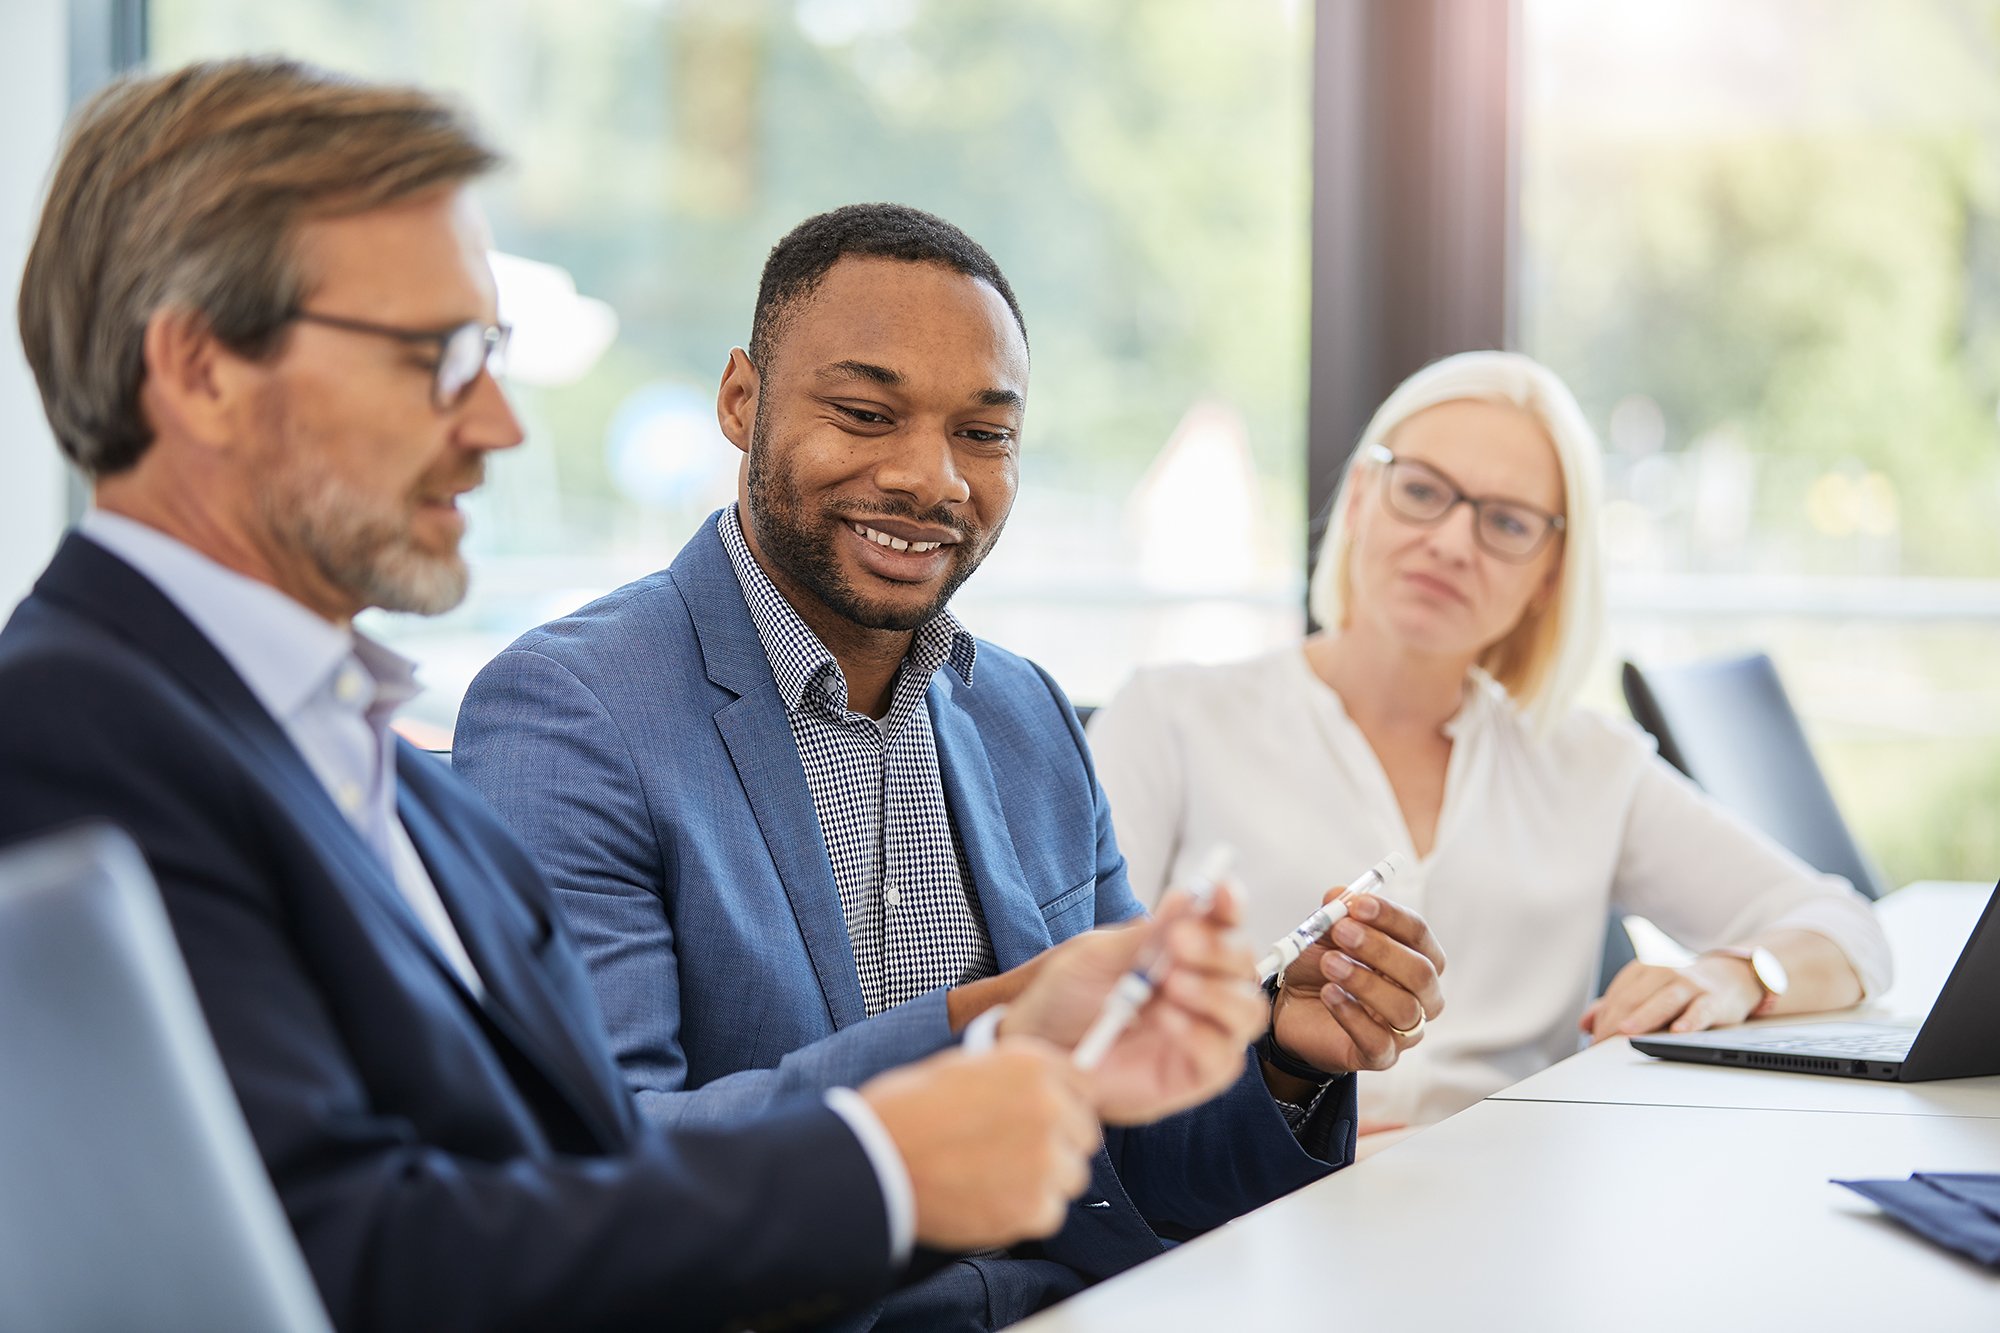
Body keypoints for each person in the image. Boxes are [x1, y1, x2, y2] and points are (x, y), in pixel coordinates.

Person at [0, 59, 1252, 1333]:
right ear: (201, 368)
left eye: (486, 354)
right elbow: (327, 1256)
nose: (499, 425)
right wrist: (881, 1165)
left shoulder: (343, 746)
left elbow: (574, 1163)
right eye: (434, 357)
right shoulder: (68, 739)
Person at [453, 202, 1448, 1329]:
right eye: (865, 412)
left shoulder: (1022, 709)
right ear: (741, 400)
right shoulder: (572, 709)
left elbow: (1123, 1149)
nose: (931, 478)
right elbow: (602, 1155)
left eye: (983, 434)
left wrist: (1281, 1058)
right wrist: (993, 1018)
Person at [1086, 350, 1893, 1132]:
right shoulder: (1171, 717)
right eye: (1422, 491)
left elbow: (1849, 927)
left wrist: (1736, 974)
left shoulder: (1587, 761)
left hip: (1505, 1212)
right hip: (1245, 1201)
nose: (1452, 542)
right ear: (1362, 497)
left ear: (1549, 573)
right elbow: (1072, 1002)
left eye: (1506, 521)